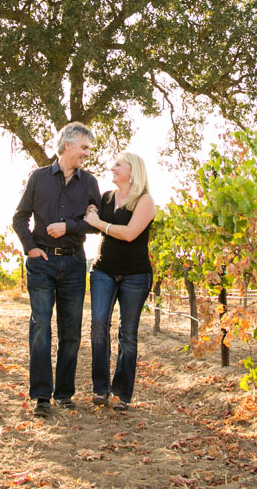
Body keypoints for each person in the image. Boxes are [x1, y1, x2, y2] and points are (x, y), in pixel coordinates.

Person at [12, 122, 101, 417]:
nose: (87, 154)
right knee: (40, 327)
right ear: (68, 146)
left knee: (71, 331)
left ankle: (64, 393)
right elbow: (19, 217)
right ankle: (41, 397)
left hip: (75, 263)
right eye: (84, 148)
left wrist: (69, 227)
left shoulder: (89, 183)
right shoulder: (38, 178)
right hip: (42, 264)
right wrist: (30, 248)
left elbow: (95, 223)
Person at [83, 151, 156, 411]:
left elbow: (129, 234)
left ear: (132, 171)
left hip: (135, 274)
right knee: (98, 326)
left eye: (118, 165)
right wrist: (92, 211)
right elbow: (91, 221)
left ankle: (121, 394)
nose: (112, 168)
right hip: (103, 270)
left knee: (128, 334)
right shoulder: (106, 198)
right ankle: (101, 389)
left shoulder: (145, 201)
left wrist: (98, 222)